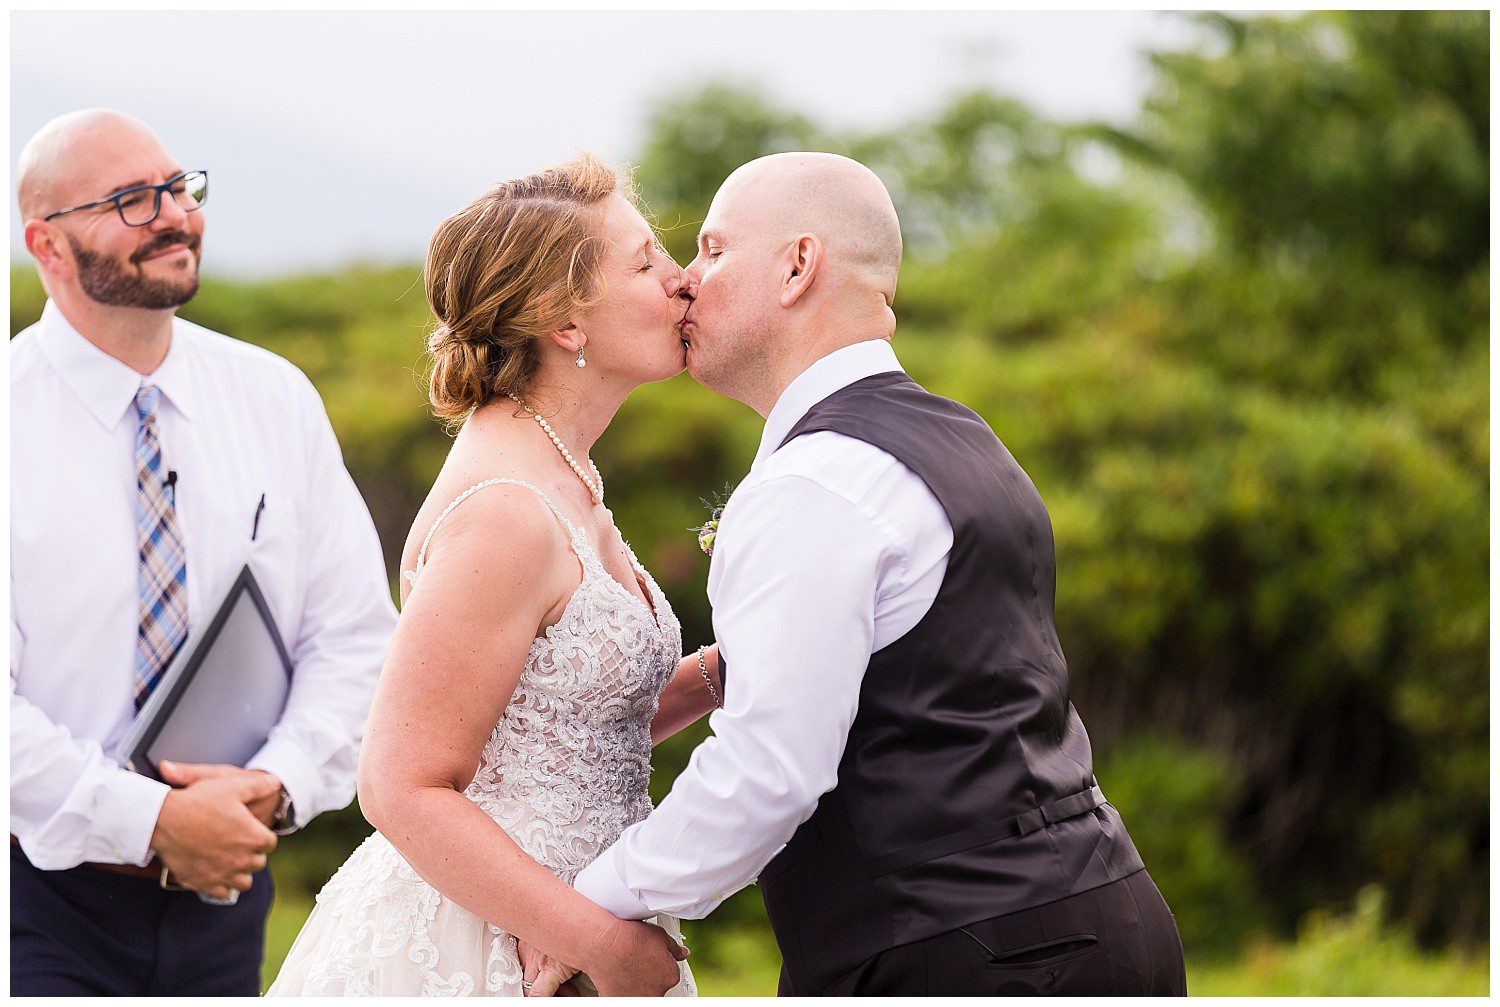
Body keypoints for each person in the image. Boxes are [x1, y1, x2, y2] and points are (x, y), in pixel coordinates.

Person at [553, 152, 1189, 996]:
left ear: (797, 265)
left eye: (711, 250)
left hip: (961, 958)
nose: (686, 282)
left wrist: (584, 909)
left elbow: (767, 773)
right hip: (1108, 914)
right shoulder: (965, 438)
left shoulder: (814, 481)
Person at [267, 154, 717, 996]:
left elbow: (563, 725)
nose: (682, 279)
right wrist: (597, 942)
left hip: (576, 917)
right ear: (564, 320)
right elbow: (398, 783)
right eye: (646, 261)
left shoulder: (559, 467)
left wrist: (725, 673)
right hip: (489, 944)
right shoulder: (510, 508)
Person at [9, 109, 398, 996]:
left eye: (180, 188)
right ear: (48, 244)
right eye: (131, 200)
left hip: (229, 892)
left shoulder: (274, 397)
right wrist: (150, 818)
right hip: (31, 900)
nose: (176, 216)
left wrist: (273, 782)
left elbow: (355, 639)